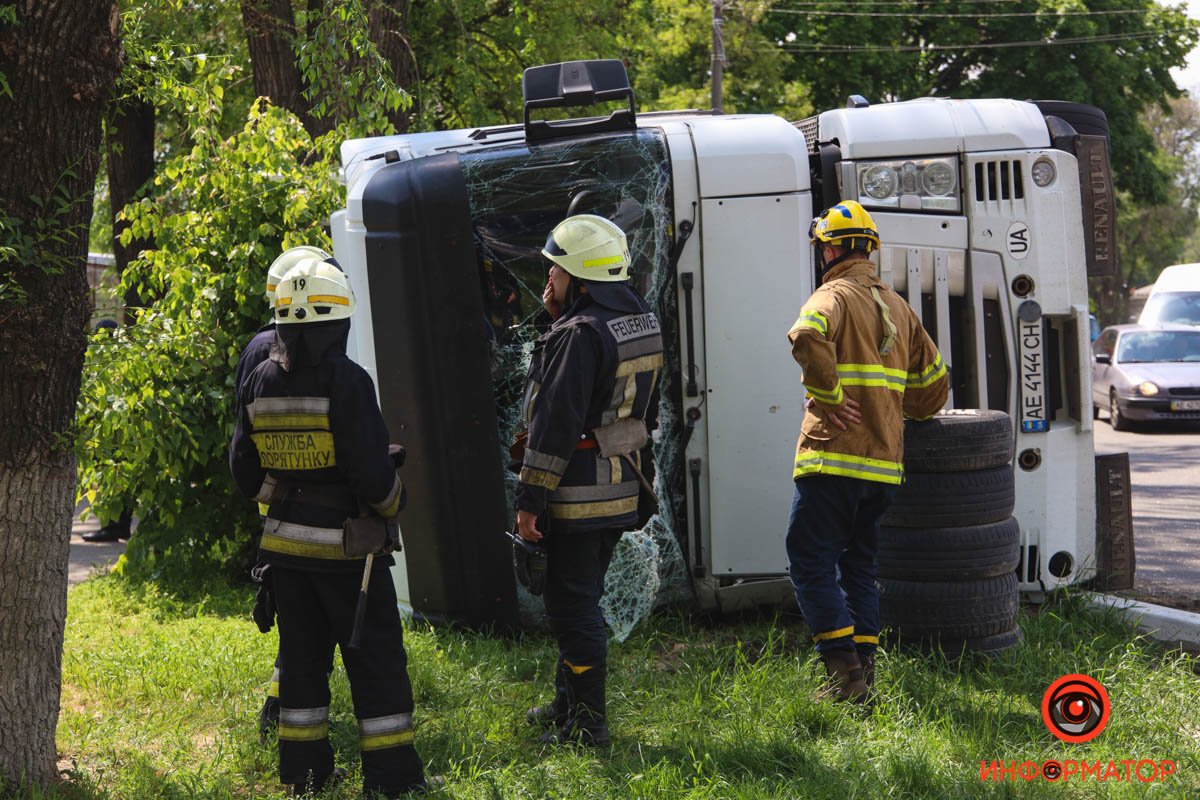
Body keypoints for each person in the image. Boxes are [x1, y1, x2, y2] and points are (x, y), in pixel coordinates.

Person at [229, 259, 430, 797]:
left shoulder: (259, 378)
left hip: (286, 554)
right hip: (348, 554)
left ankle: (304, 773)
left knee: (301, 664)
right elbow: (371, 474)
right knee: (376, 661)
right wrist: (393, 502)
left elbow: (245, 469)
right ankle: (390, 779)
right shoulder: (348, 380)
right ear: (337, 322)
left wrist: (287, 497)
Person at [785, 201, 948, 703]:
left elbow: (806, 335)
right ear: (870, 249)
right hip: (882, 466)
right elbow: (935, 386)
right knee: (859, 566)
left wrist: (830, 397)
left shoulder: (832, 294)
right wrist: (893, 412)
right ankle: (865, 676)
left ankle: (843, 678)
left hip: (831, 458)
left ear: (830, 248)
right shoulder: (900, 307)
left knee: (809, 560)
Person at [515, 214, 663, 746]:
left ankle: (587, 726)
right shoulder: (640, 319)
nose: (547, 284)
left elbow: (554, 426)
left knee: (571, 607)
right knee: (581, 596)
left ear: (578, 277)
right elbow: (650, 412)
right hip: (622, 488)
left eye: (554, 273)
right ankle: (565, 706)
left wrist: (530, 498)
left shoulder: (579, 332)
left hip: (577, 493)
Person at [235, 244, 336, 741]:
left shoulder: (262, 346)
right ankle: (279, 709)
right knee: (300, 616)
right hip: (296, 504)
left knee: (297, 614)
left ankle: (286, 708)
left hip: (279, 500)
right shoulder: (272, 350)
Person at [82, 319, 135, 543]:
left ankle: (115, 526)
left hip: (113, 432)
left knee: (115, 480)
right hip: (119, 431)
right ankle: (117, 525)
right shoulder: (126, 358)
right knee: (119, 479)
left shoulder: (109, 361)